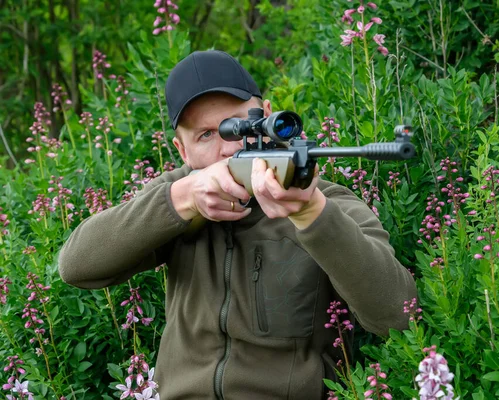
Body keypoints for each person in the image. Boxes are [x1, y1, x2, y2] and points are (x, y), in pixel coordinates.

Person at [58, 50, 417, 400]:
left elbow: (399, 316)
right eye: (205, 135)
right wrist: (181, 201)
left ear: (269, 117)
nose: (228, 149)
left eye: (238, 125)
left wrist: (312, 216)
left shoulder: (327, 200)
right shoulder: (177, 195)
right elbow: (76, 266)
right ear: (182, 151)